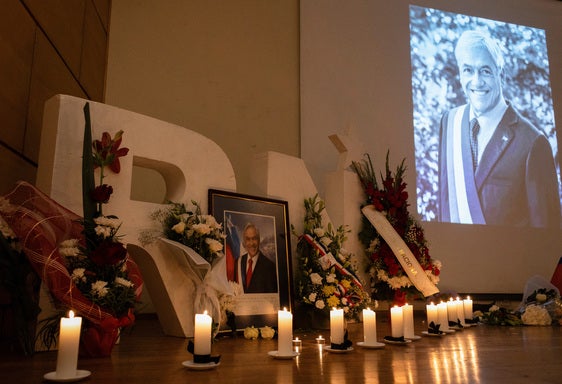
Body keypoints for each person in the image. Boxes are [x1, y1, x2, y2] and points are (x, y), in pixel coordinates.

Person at [438, 30, 560, 228]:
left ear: (501, 74)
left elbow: (546, 232)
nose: (476, 81)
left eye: (485, 71)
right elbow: (445, 206)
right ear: (460, 74)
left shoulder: (533, 143)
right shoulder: (449, 122)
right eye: (468, 70)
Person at [234, 223, 278, 293]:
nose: (251, 243)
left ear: (259, 239)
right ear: (244, 242)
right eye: (248, 239)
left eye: (254, 238)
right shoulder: (238, 263)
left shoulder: (270, 267)